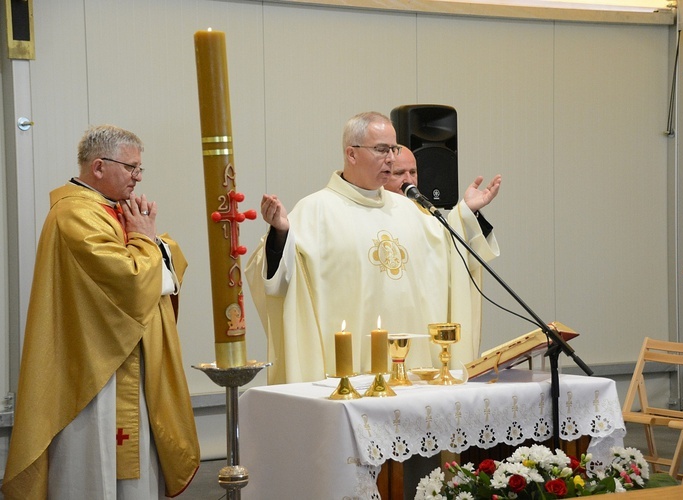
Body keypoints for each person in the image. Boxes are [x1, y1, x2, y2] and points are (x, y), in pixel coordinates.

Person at [2, 125, 200, 499]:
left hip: (126, 361)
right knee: (92, 469)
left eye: (140, 169)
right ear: (98, 167)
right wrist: (146, 239)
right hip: (91, 374)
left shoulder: (112, 211)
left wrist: (150, 239)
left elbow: (165, 260)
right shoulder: (74, 214)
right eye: (131, 168)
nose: (138, 177)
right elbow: (130, 280)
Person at [245, 111, 501, 385]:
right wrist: (281, 233)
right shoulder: (315, 211)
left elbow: (452, 255)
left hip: (414, 377)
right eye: (381, 149)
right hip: (346, 382)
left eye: (393, 148)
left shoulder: (410, 210)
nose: (391, 158)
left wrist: (466, 216)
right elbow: (280, 284)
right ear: (351, 154)